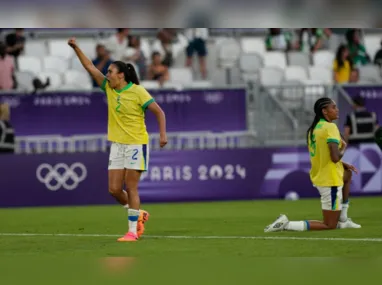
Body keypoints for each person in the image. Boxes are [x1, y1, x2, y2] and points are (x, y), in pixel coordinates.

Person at [68, 37, 168, 242]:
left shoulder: (138, 91)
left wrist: (163, 135)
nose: (107, 74)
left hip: (136, 144)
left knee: (131, 187)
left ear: (121, 75)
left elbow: (159, 112)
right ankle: (139, 213)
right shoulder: (109, 88)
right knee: (114, 189)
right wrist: (77, 47)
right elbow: (90, 67)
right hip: (117, 145)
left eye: (111, 72)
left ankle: (132, 231)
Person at [265, 97, 361, 233]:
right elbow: (334, 157)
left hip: (321, 174)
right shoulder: (330, 127)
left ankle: (344, 219)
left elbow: (322, 155)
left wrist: (343, 163)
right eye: (333, 107)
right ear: (325, 111)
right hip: (330, 180)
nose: (337, 109)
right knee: (329, 225)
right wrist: (344, 146)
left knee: (347, 174)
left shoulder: (314, 129)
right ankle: (286, 224)